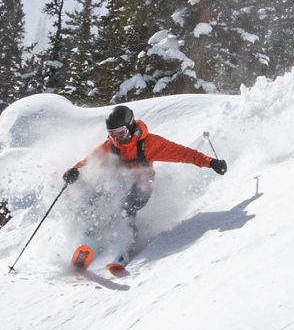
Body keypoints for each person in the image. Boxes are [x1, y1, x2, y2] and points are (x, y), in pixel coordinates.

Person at [61, 104, 225, 275]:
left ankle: (125, 245)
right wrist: (75, 171)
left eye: (121, 133)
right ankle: (91, 239)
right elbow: (89, 161)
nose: (117, 138)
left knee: (127, 204)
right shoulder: (110, 146)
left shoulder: (150, 144)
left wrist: (211, 162)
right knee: (100, 198)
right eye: (112, 134)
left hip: (142, 188)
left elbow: (184, 154)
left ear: (131, 126)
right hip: (118, 185)